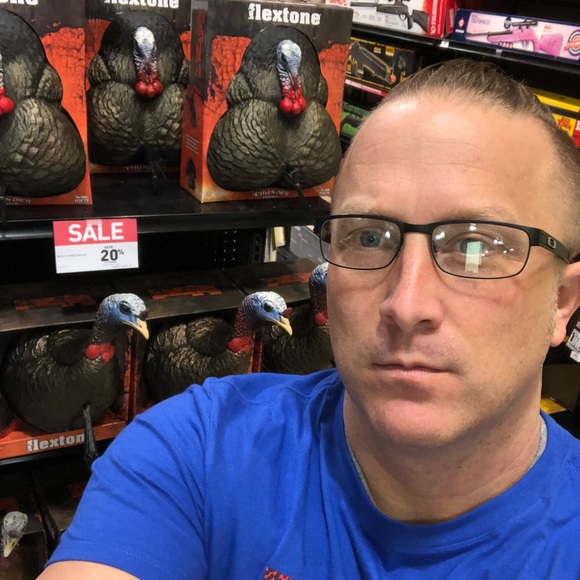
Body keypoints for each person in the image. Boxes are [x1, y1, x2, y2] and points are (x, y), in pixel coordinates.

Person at [39, 58, 580, 579]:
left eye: (476, 247)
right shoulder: (194, 450)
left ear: (562, 301)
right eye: (368, 237)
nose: (407, 304)